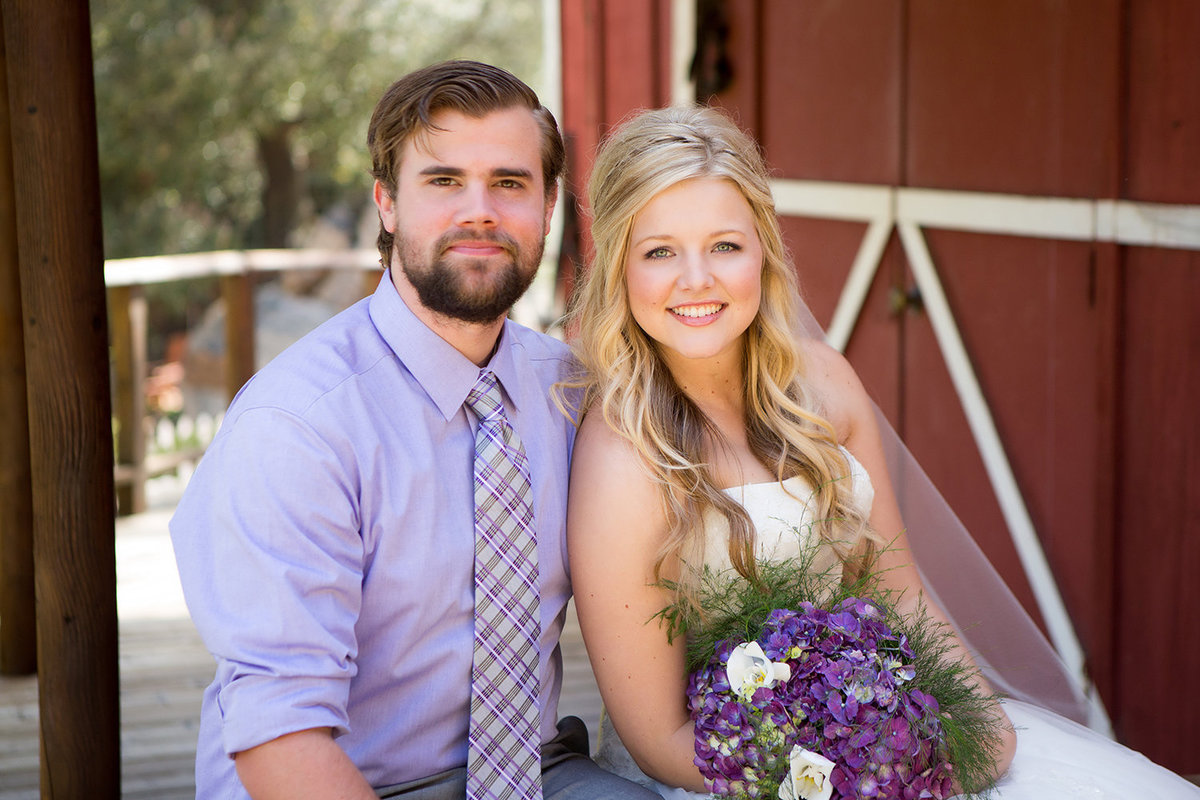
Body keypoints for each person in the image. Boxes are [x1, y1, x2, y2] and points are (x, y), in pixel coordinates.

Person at [564, 105, 1200, 799]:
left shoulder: (824, 386)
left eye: (724, 245)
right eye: (659, 251)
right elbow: (657, 740)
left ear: (764, 251)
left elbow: (901, 597)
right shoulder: (624, 456)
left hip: (871, 749)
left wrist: (974, 723)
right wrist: (844, 784)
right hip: (724, 776)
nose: (697, 280)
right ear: (620, 267)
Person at [171, 60, 660, 800]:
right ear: (387, 204)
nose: (480, 211)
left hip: (536, 772)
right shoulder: (297, 425)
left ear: (550, 205)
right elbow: (280, 737)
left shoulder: (570, 391)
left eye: (510, 182)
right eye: (442, 182)